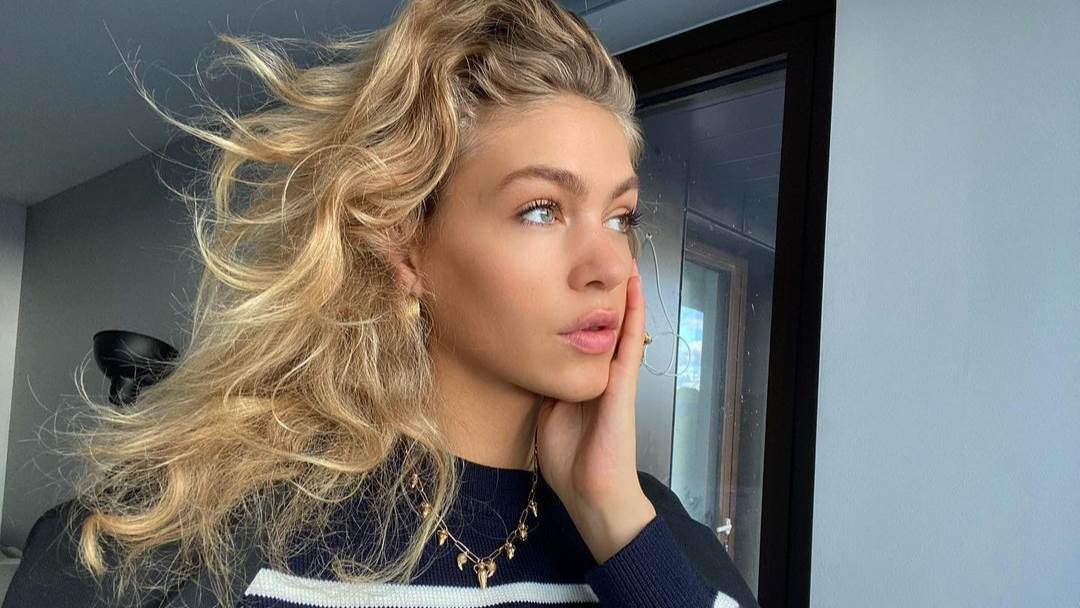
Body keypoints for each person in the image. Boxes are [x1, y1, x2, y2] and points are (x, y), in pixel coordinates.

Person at [2, 0, 759, 606]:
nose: (608, 265)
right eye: (541, 210)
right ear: (405, 246)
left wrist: (612, 517)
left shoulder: (650, 532)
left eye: (621, 217)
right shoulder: (174, 536)